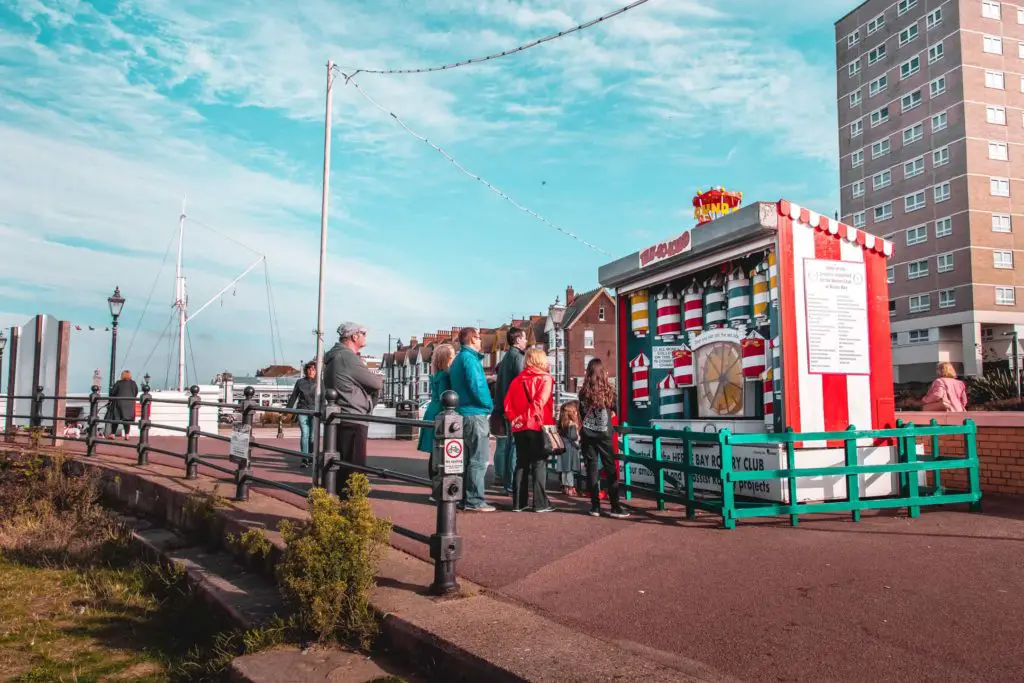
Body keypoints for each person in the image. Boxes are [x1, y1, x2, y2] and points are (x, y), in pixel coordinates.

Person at [324, 322, 384, 496]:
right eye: (363, 333)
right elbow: (375, 383)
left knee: (341, 465)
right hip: (353, 416)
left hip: (341, 416)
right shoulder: (347, 357)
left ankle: (338, 503)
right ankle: (352, 507)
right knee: (354, 468)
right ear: (354, 336)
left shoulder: (335, 356)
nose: (365, 336)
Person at [448, 327, 495, 512]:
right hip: (475, 413)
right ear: (473, 339)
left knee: (468, 459)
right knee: (479, 459)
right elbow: (477, 385)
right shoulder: (470, 359)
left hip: (463, 413)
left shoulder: (459, 359)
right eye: (479, 338)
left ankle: (465, 497)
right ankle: (474, 500)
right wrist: (488, 405)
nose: (481, 342)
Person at [503, 348, 556, 512]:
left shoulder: (517, 380)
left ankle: (519, 503)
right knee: (539, 463)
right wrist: (527, 417)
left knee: (521, 463)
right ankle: (540, 503)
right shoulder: (546, 378)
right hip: (538, 425)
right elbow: (540, 402)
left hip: (519, 427)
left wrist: (516, 420)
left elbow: (507, 405)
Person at [578, 358, 629, 519]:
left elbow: (581, 413)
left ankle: (595, 506)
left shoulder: (584, 391)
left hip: (588, 433)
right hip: (604, 433)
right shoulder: (608, 390)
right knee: (610, 468)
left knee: (592, 469)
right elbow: (615, 410)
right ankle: (615, 506)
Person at [417, 343, 455, 501]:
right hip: (440, 412)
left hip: (431, 411)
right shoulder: (446, 375)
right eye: (452, 356)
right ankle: (438, 490)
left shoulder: (436, 374)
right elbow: (445, 397)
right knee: (441, 454)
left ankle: (434, 487)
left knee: (435, 453)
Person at [492, 327, 527, 494]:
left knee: (508, 446)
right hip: (516, 408)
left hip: (506, 407)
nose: (526, 341)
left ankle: (508, 482)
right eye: (524, 338)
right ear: (518, 340)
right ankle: (513, 483)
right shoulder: (518, 357)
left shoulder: (506, 358)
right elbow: (522, 382)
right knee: (514, 446)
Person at [286, 361, 317, 468]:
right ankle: (304, 458)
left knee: (312, 437)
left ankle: (311, 457)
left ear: (317, 371)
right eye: (309, 369)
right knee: (305, 434)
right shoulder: (300, 382)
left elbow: (323, 399)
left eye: (313, 369)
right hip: (302, 410)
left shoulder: (320, 383)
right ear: (305, 371)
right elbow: (294, 396)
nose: (311, 371)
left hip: (314, 412)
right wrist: (287, 410)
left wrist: (322, 411)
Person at [556, 401, 582, 496]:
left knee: (564, 471)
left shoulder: (562, 424)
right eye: (575, 412)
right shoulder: (572, 424)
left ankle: (565, 487)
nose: (576, 413)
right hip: (570, 450)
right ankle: (570, 488)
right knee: (569, 470)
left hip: (563, 449)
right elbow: (574, 437)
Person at [107, 370, 139, 440]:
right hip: (130, 404)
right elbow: (135, 392)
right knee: (127, 420)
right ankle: (127, 435)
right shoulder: (133, 383)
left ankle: (113, 434)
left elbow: (113, 393)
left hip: (119, 402)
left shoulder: (119, 383)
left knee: (116, 418)